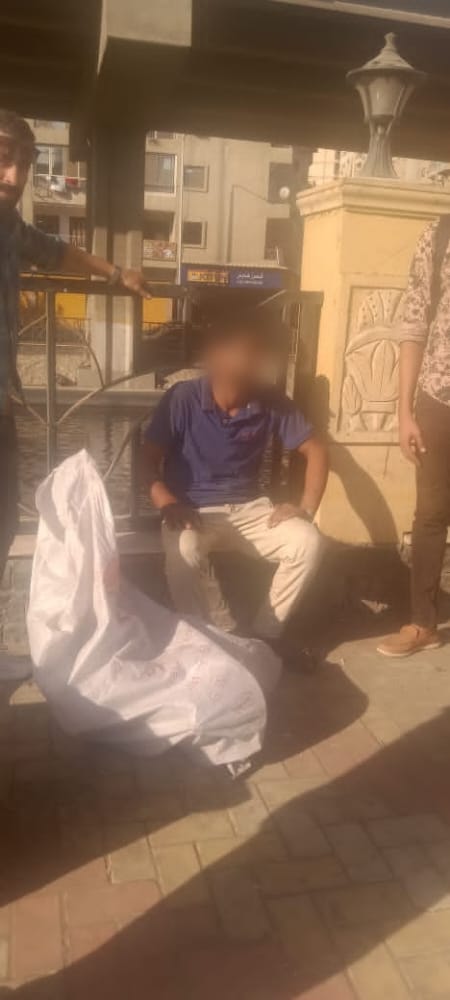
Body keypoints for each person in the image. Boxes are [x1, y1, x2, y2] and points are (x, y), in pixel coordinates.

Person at [0, 111, 150, 677]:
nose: (13, 176)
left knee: (4, 525)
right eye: (2, 158)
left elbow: (56, 251)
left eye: (22, 163)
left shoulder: (11, 227)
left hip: (2, 403)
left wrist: (116, 274)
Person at [143, 310, 328, 659]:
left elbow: (316, 450)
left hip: (251, 510)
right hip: (191, 510)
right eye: (243, 352)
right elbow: (147, 460)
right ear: (217, 356)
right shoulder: (182, 399)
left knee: (308, 542)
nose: (253, 362)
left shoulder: (270, 399)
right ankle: (213, 636)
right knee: (183, 551)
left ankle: (265, 634)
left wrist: (304, 509)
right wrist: (167, 502)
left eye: (258, 354)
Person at [378, 218, 450, 658]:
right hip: (440, 396)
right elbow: (414, 323)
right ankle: (423, 624)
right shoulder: (438, 236)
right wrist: (404, 411)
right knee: (431, 514)